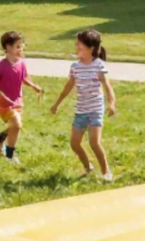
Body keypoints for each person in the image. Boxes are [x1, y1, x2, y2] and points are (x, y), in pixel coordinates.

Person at [50, 28, 117, 181]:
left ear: (91, 48)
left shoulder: (98, 65)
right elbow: (69, 86)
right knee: (74, 144)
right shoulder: (75, 67)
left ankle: (106, 172)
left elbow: (107, 86)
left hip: (95, 109)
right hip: (81, 109)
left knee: (94, 142)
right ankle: (88, 167)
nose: (76, 46)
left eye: (79, 45)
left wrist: (111, 103)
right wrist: (56, 104)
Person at [0, 31, 44, 165]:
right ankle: (10, 155)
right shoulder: (1, 66)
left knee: (14, 126)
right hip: (4, 104)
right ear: (8, 47)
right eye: (17, 47)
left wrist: (34, 86)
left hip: (18, 101)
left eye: (22, 46)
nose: (21, 49)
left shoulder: (21, 63)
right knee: (17, 125)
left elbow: (23, 77)